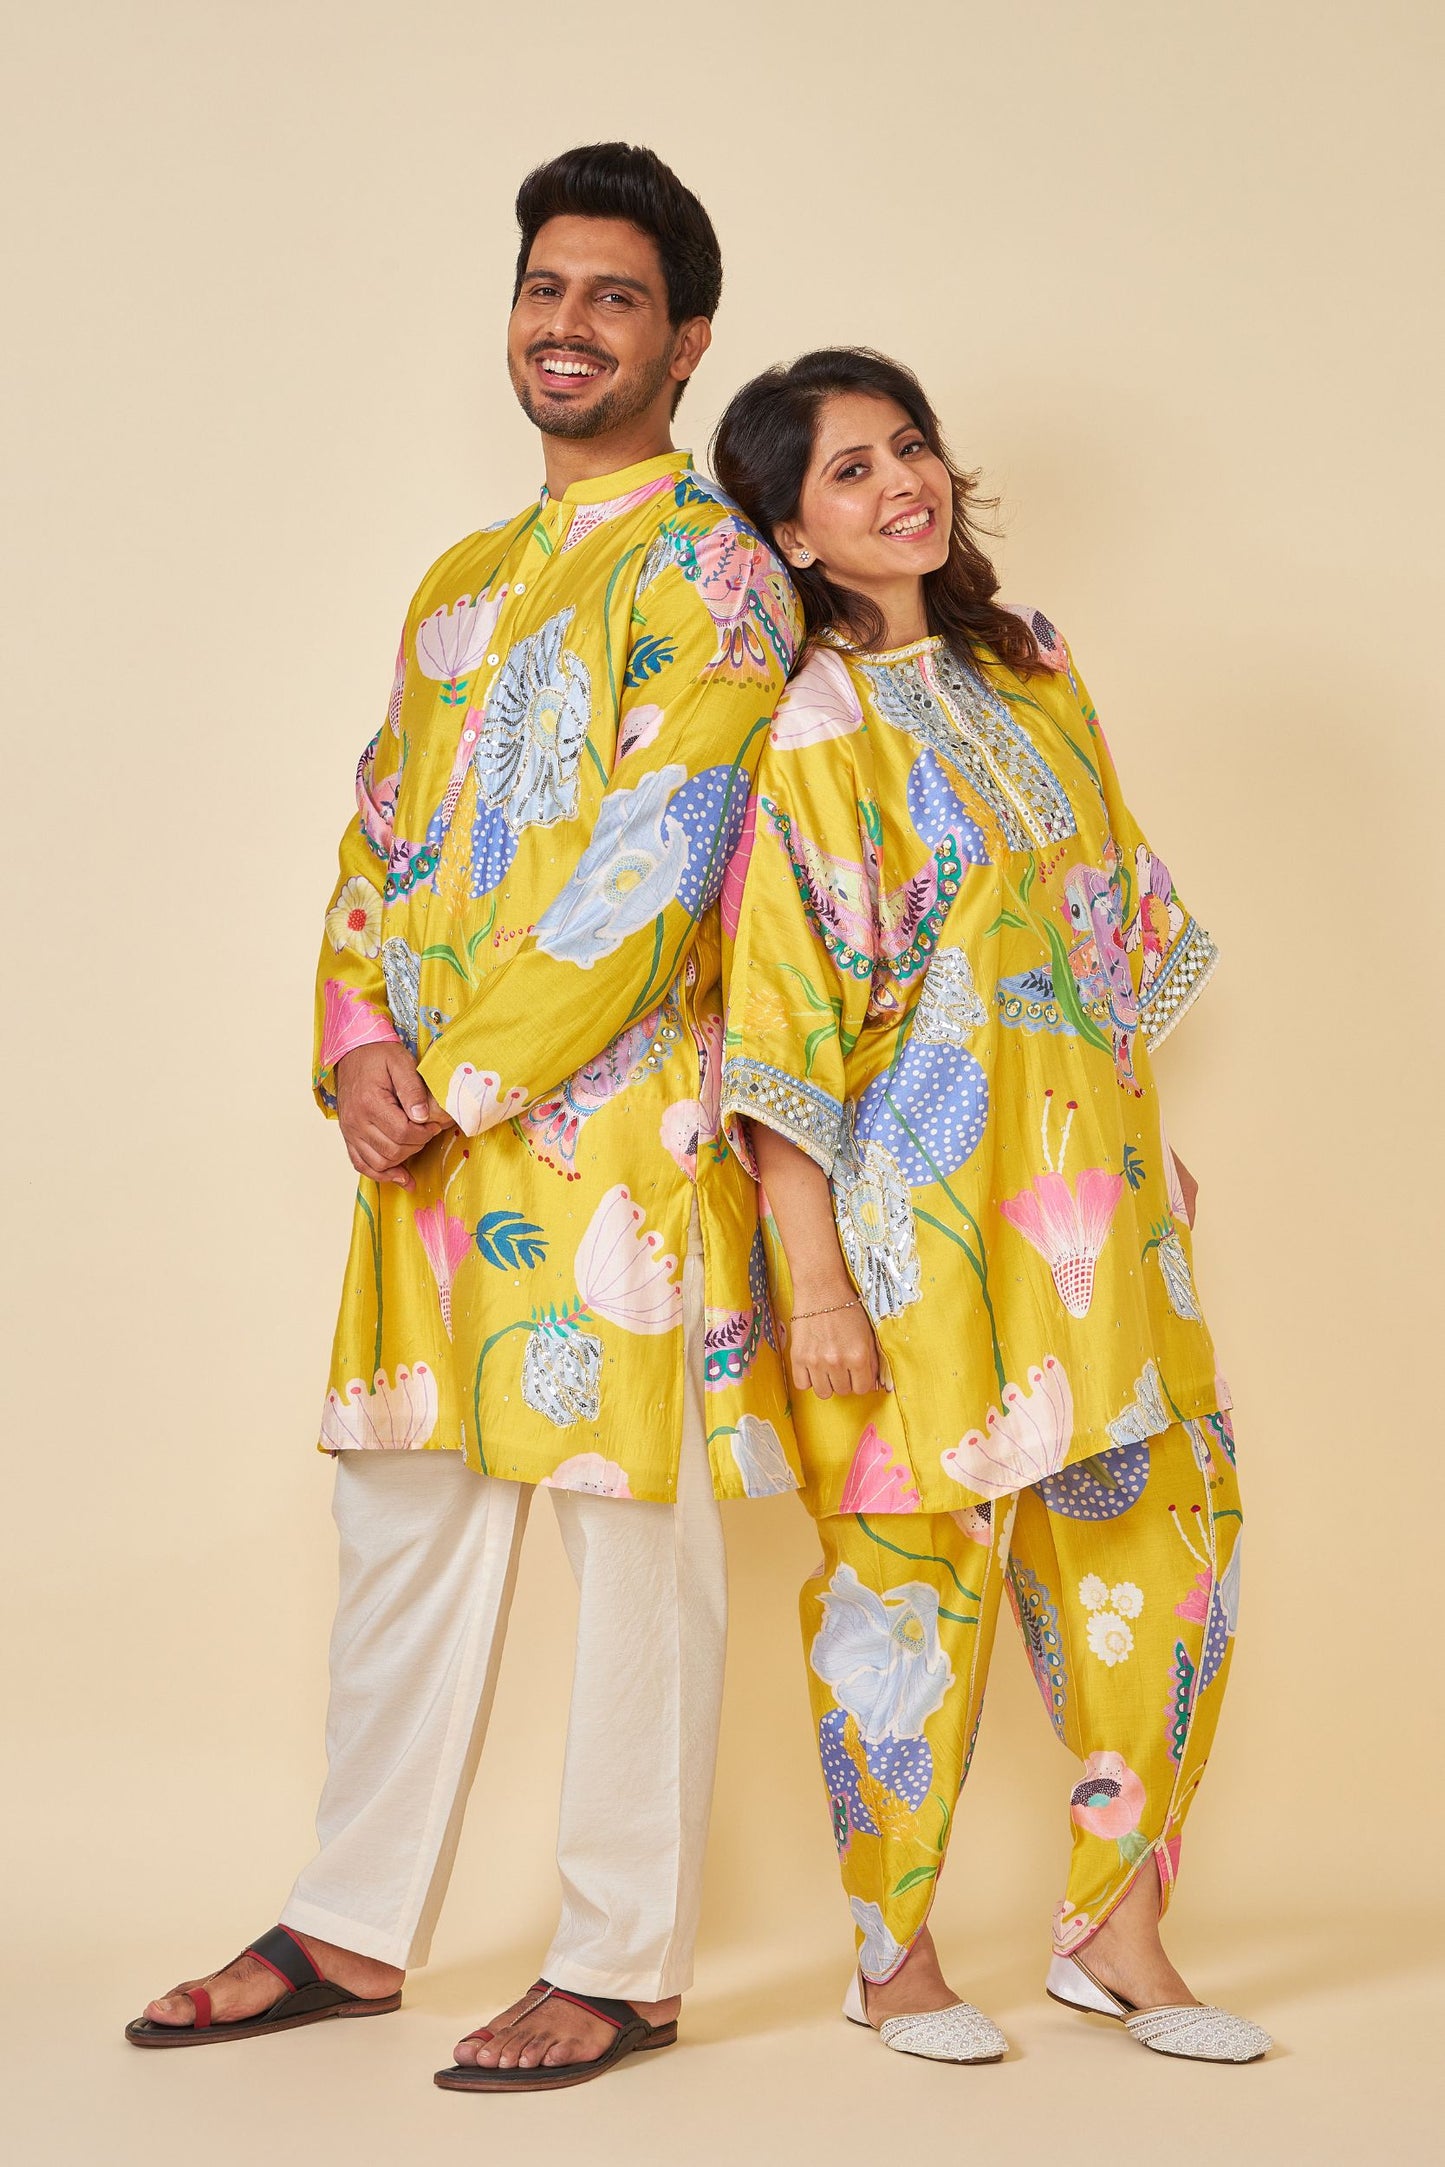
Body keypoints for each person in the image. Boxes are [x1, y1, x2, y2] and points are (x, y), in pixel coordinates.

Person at [125, 143, 802, 2094]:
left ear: (686, 341)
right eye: (544, 286)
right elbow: (381, 828)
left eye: (613, 296)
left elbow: (666, 856)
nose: (567, 323)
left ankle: (623, 1959)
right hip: (423, 1144)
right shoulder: (464, 584)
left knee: (631, 1541)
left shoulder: (716, 572)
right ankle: (349, 1924)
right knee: (403, 1515)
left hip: (620, 1145)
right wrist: (356, 1048)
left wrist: (467, 1079)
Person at [712, 348, 1271, 2065]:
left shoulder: (1032, 668)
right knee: (907, 1588)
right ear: (791, 533)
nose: (902, 486)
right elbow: (784, 1014)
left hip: (1090, 1205)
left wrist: (1142, 1136)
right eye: (849, 472)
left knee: (1158, 1557)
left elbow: (1098, 920)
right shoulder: (804, 733)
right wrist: (812, 1273)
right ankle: (893, 1960)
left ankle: (1120, 1937)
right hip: (908, 1228)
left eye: (910, 448)